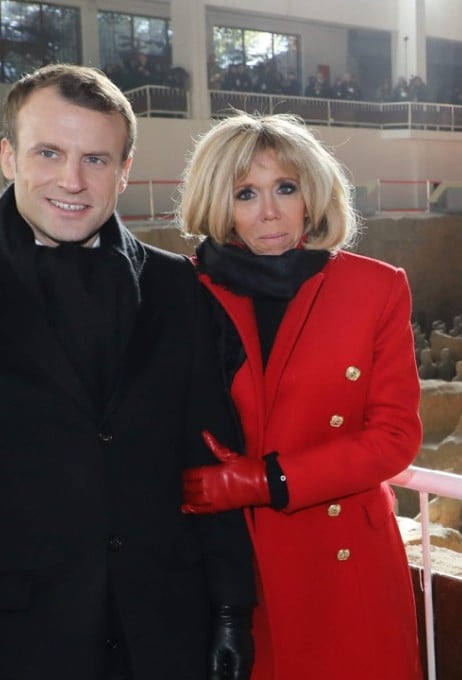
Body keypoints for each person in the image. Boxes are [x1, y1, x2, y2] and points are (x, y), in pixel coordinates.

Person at [0, 64, 255, 679]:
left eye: (96, 159)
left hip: (163, 629)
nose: (72, 179)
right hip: (21, 637)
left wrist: (229, 610)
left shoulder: (177, 286)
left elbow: (209, 451)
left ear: (124, 172)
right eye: (49, 152)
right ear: (7, 158)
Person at [177, 111, 423, 679]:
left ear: (311, 195)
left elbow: (395, 439)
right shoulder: (183, 290)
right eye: (246, 193)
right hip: (233, 569)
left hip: (345, 566)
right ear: (220, 203)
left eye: (285, 188)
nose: (269, 211)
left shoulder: (377, 288)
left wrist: (266, 479)